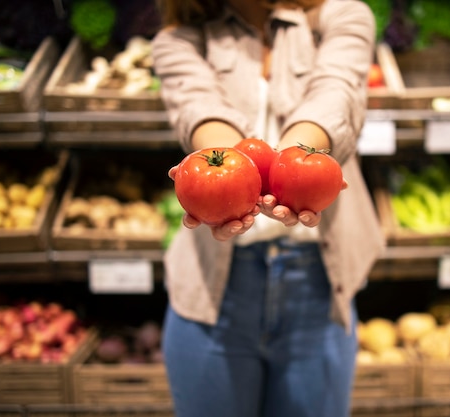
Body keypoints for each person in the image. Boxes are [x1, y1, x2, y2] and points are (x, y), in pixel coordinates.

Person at [152, 0, 385, 416]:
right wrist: (222, 162)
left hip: (319, 284)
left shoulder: (342, 14)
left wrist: (298, 155)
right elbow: (198, 106)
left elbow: (337, 91)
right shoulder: (177, 40)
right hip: (213, 290)